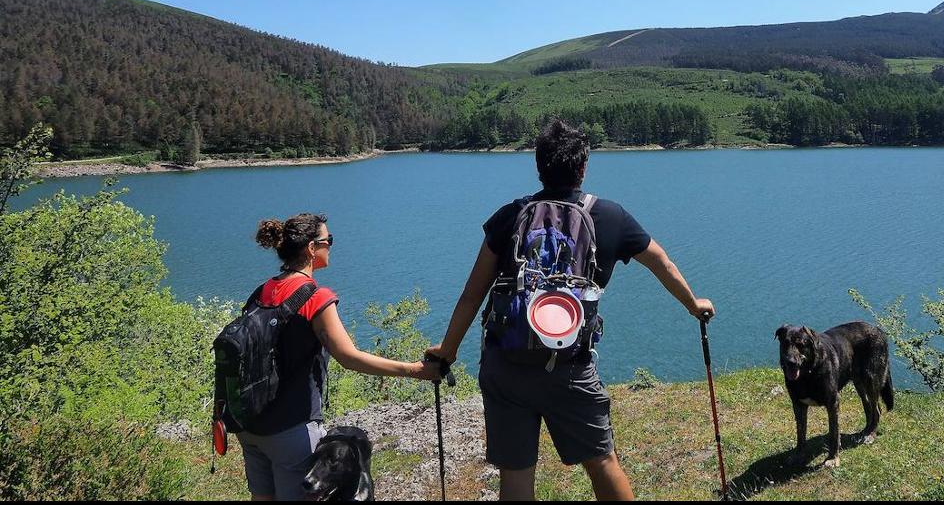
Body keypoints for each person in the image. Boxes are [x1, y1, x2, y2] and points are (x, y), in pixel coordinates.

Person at [426, 119, 715, 501]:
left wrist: (446, 351)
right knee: (601, 461)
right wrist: (694, 305)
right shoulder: (609, 216)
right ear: (583, 167)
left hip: (506, 363)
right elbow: (660, 261)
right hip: (570, 366)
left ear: (539, 166)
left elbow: (471, 295)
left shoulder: (510, 216)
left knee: (515, 475)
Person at [240, 213, 438, 501]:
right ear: (311, 248)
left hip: (250, 423)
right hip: (289, 429)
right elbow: (349, 357)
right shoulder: (315, 297)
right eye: (327, 240)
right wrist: (415, 370)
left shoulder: (263, 291)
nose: (331, 246)